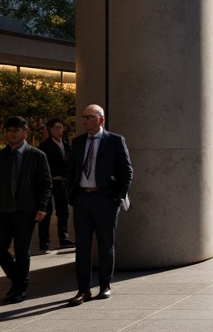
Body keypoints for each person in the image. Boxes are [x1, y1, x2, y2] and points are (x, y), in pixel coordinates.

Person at [66, 104, 132, 305]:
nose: (84, 120)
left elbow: (127, 172)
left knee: (106, 245)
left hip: (106, 201)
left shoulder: (115, 141)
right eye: (83, 117)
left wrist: (116, 197)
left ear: (100, 119)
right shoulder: (77, 143)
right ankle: (83, 290)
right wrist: (72, 197)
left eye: (89, 117)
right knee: (82, 247)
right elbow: (72, 171)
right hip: (82, 201)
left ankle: (105, 286)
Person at [0, 116, 51, 303]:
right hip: (2, 211)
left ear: (25, 133)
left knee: (22, 251)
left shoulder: (37, 156)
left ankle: (20, 288)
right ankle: (19, 281)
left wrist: (42, 208)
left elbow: (46, 185)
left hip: (25, 211)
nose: (11, 134)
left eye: (15, 131)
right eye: (8, 131)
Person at [38, 118, 74, 251]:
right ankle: (44, 241)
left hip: (63, 183)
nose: (57, 130)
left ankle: (63, 238)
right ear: (49, 130)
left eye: (59, 127)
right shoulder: (44, 146)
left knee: (63, 211)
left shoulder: (67, 144)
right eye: (54, 128)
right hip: (50, 182)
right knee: (46, 212)